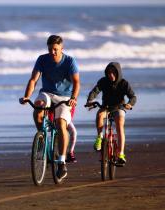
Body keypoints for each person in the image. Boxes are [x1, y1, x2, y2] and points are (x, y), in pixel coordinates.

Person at [20, 35, 80, 180]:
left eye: (55, 49)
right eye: (50, 49)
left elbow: (76, 82)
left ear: (61, 48)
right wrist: (27, 96)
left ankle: (61, 161)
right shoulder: (42, 59)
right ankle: (42, 139)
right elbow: (34, 79)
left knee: (61, 124)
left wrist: (73, 98)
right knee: (38, 108)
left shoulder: (70, 61)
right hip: (47, 93)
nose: (52, 52)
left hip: (65, 97)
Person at [85, 62, 136, 166]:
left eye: (113, 73)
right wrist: (89, 101)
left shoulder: (123, 83)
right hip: (106, 107)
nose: (111, 75)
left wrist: (130, 104)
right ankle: (100, 137)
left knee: (119, 125)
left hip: (119, 107)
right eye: (109, 73)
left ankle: (121, 154)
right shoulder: (103, 81)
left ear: (118, 73)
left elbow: (133, 97)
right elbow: (95, 91)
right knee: (99, 115)